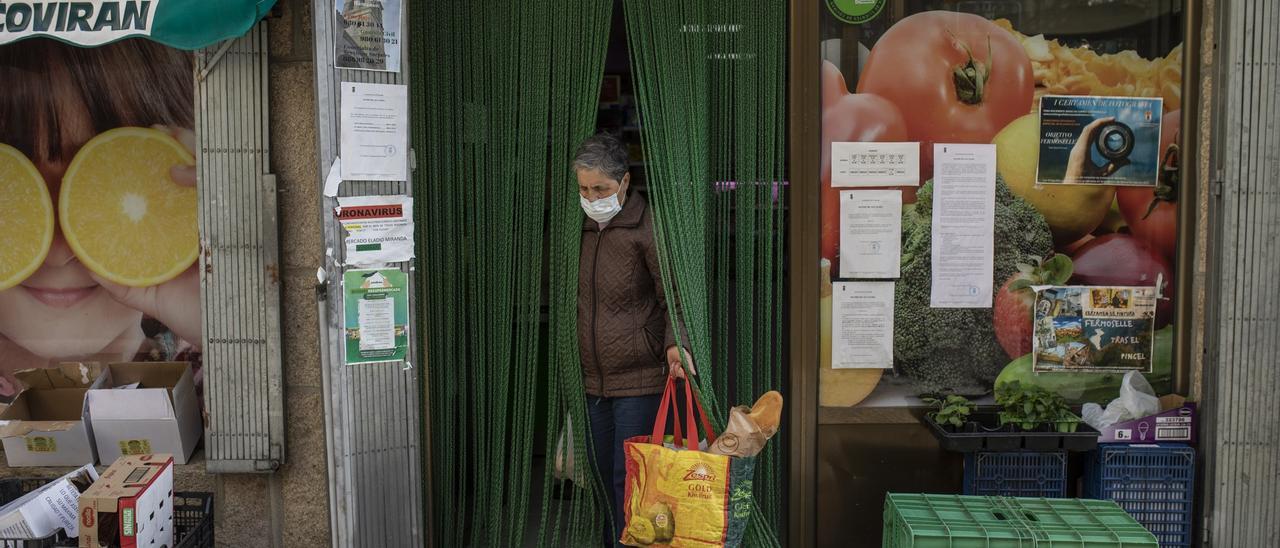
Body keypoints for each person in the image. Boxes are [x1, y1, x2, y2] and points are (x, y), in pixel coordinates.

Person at [0, 39, 201, 401]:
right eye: (10, 191)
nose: (58, 253)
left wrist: (223, 310)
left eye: (106, 188)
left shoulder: (223, 385)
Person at [574, 133, 693, 547]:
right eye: (584, 189)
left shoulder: (647, 226)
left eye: (600, 189)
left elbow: (672, 293)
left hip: (638, 379)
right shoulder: (580, 229)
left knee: (632, 480)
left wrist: (676, 343)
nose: (591, 197)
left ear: (624, 183)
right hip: (592, 381)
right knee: (601, 478)